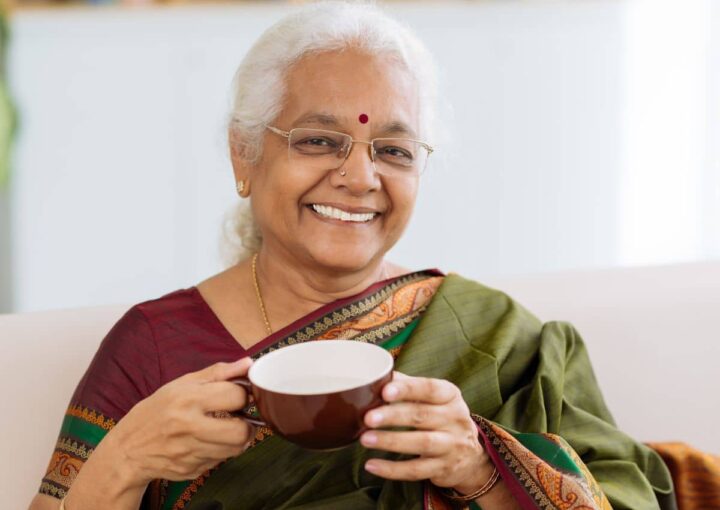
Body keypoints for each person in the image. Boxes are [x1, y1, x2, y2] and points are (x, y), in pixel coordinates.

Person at [30, 2, 675, 509]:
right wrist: (124, 463)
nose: (360, 176)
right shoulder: (155, 346)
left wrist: (482, 469)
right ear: (243, 154)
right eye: (318, 140)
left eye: (393, 151)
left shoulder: (497, 338)